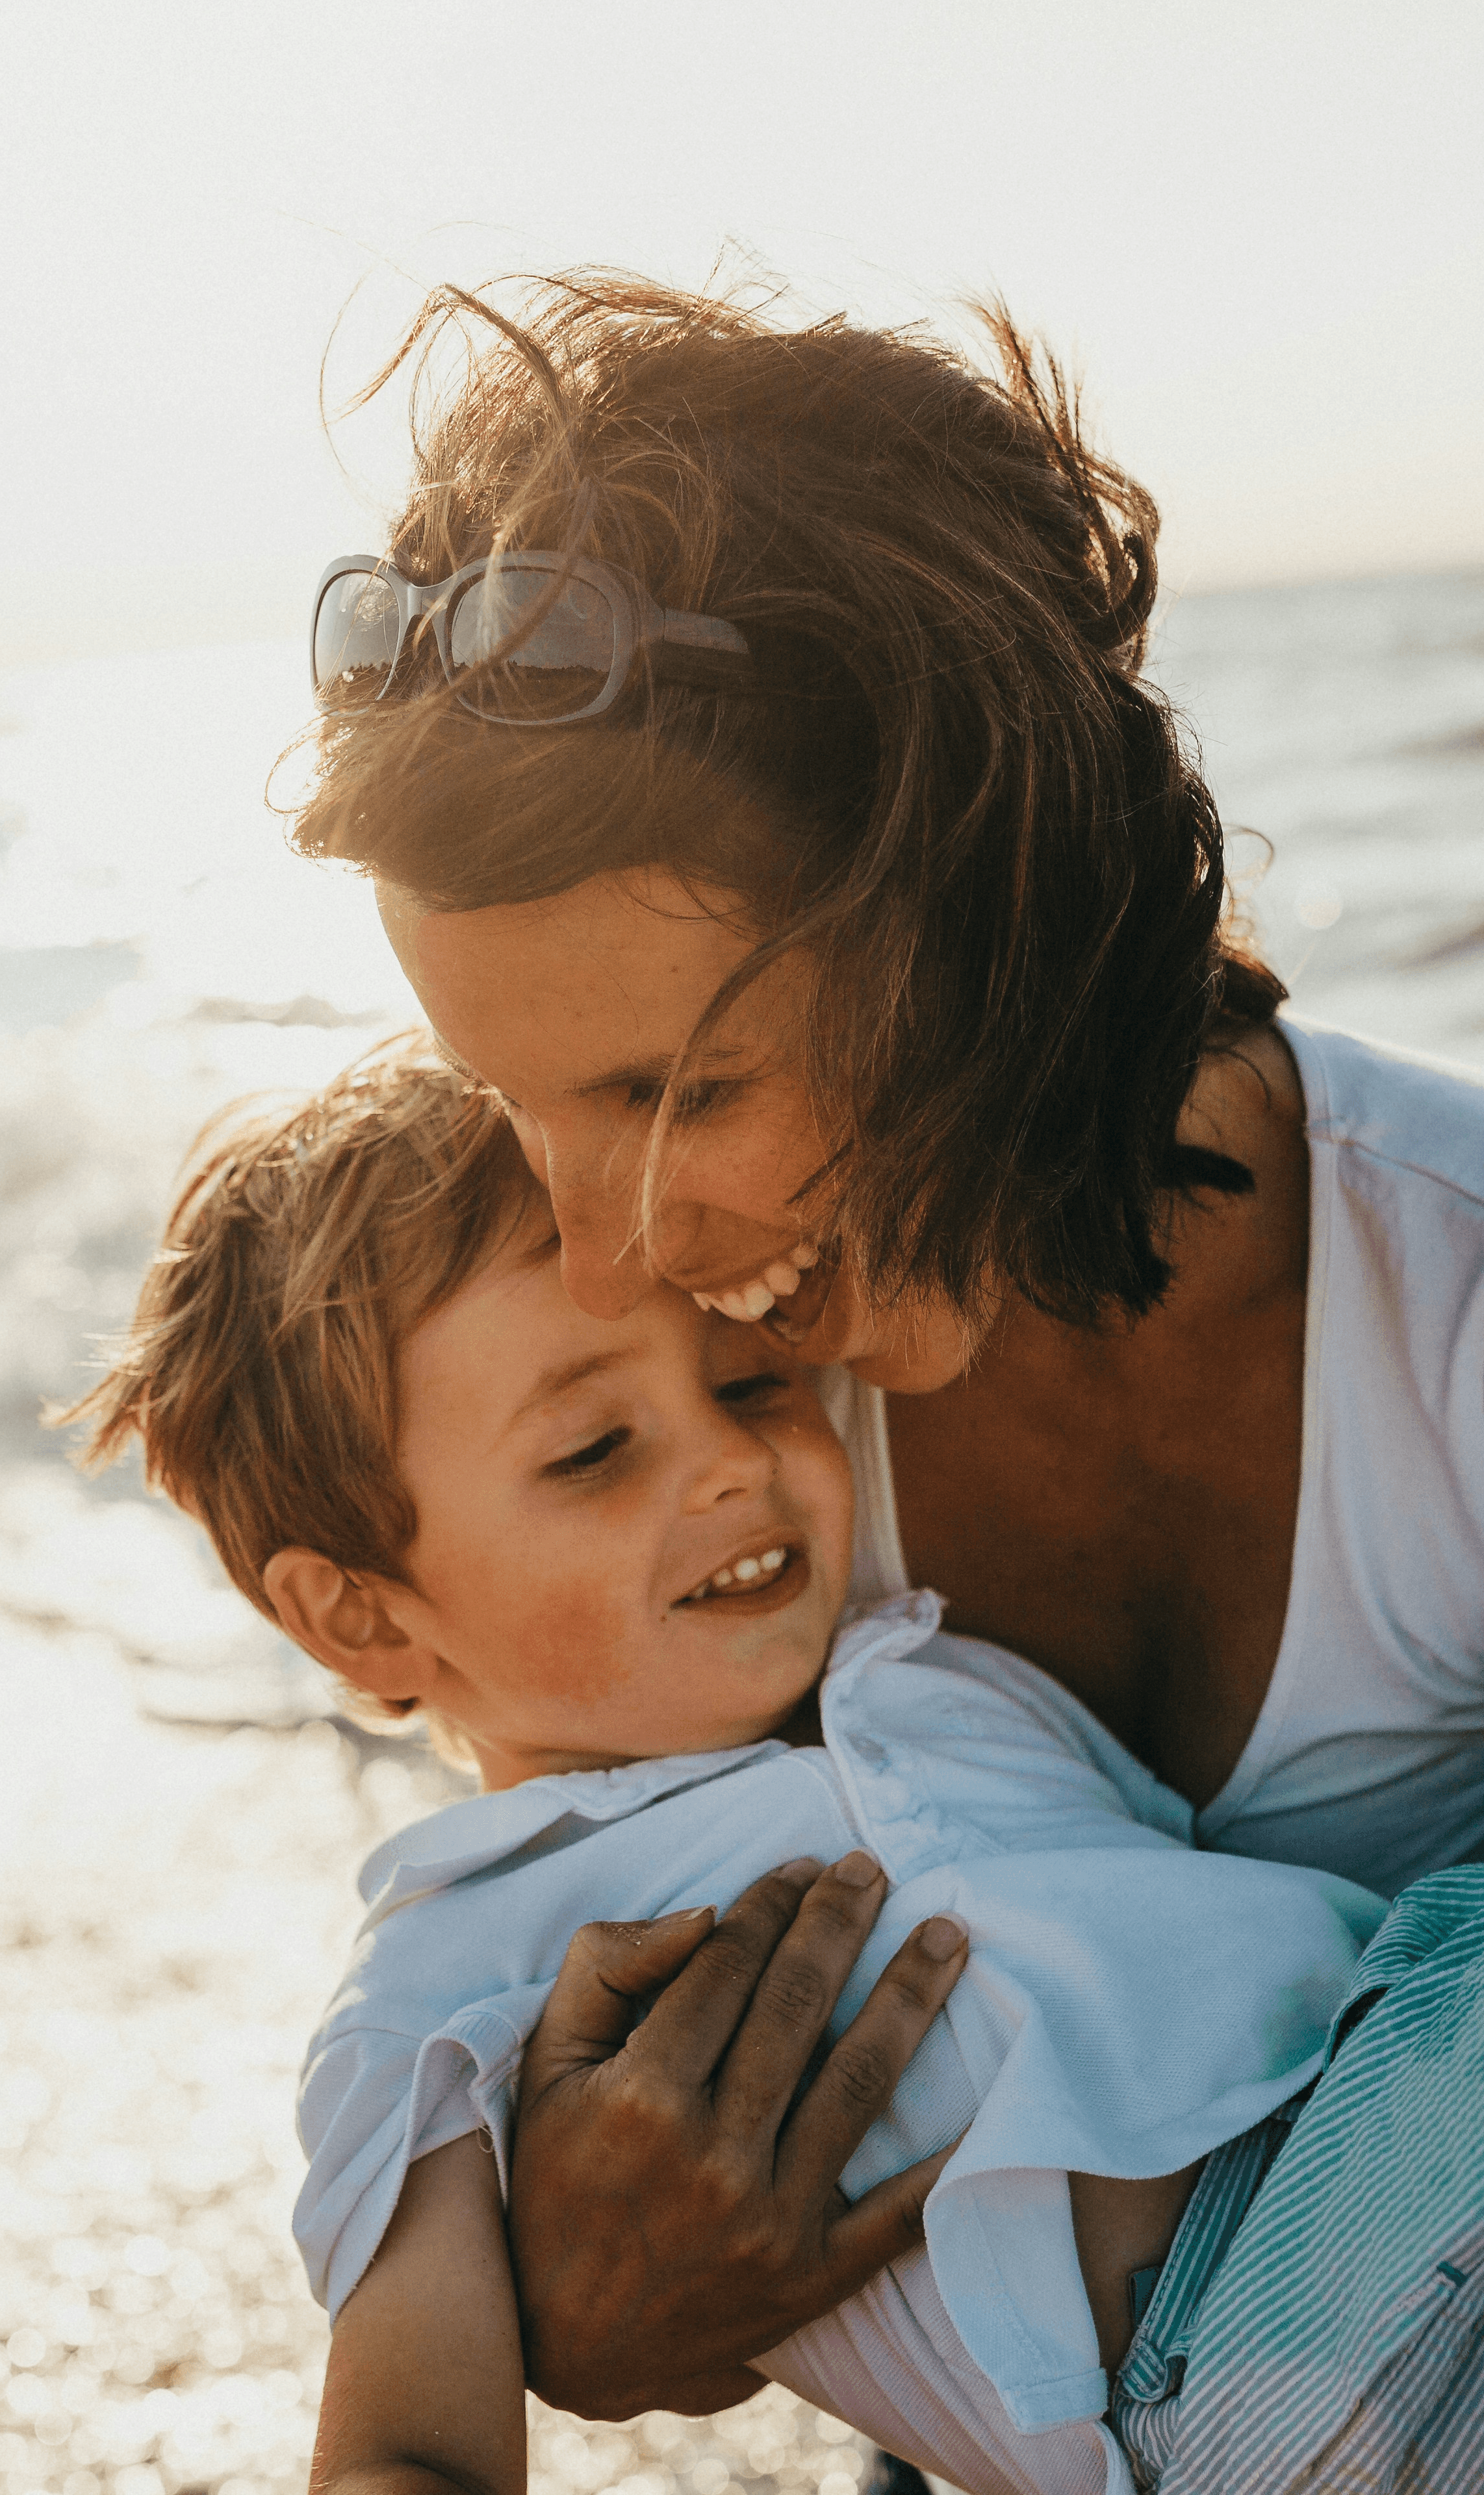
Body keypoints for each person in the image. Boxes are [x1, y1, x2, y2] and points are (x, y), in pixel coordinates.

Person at [286, 273, 1484, 2447]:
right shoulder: (700, 1418)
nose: (603, 1246)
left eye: (677, 1092)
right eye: (515, 1110)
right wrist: (590, 2293)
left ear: (984, 917)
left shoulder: (1452, 1307)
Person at [64, 1043, 1386, 2495]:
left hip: (1407, 2053)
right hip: (1269, 2370)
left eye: (752, 1381)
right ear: (364, 1614)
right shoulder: (452, 1974)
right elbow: (403, 2450)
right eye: (591, 1452)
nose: (727, 1464)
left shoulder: (936, 1664)